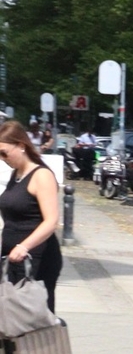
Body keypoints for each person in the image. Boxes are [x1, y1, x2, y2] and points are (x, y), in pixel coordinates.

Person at [0, 121, 66, 311]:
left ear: (21, 146)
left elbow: (51, 221)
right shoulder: (17, 175)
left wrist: (23, 246)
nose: (2, 158)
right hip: (11, 257)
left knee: (32, 320)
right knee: (11, 319)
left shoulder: (41, 175)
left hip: (34, 257)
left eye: (5, 152)